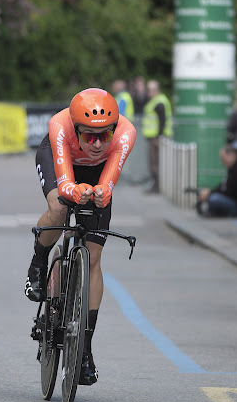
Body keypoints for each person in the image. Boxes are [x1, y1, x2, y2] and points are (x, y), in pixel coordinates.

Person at [26, 88, 137, 386]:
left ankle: (85, 349)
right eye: (89, 136)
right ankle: (37, 264)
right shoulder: (59, 126)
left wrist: (102, 193)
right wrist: (74, 192)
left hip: (97, 173)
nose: (98, 143)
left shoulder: (126, 133)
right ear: (76, 130)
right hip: (61, 160)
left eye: (105, 135)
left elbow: (109, 178)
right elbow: (64, 183)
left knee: (94, 257)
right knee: (59, 209)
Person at [196, 142, 237, 217]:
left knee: (214, 199)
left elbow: (228, 190)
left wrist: (209, 193)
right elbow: (224, 185)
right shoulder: (236, 167)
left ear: (232, 155)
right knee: (214, 197)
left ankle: (226, 213)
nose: (222, 162)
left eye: (223, 159)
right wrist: (210, 191)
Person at [141, 79, 172, 194]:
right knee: (154, 163)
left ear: (157, 90)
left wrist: (159, 137)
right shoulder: (154, 101)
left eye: (151, 89)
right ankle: (156, 184)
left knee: (156, 163)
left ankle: (157, 186)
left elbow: (162, 121)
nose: (149, 92)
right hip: (153, 137)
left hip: (156, 138)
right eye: (148, 89)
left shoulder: (159, 102)